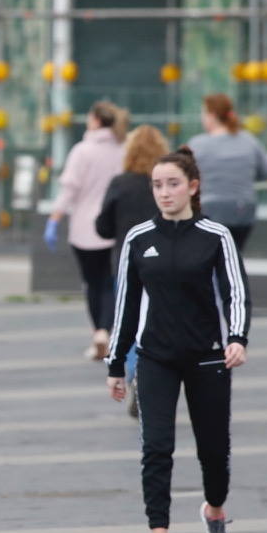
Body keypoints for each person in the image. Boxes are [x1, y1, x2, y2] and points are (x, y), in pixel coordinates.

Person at [105, 147, 251, 533]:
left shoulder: (215, 236)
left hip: (208, 357)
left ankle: (215, 511)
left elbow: (236, 293)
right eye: (157, 185)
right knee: (156, 447)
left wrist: (237, 339)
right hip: (156, 358)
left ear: (192, 186)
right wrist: (117, 366)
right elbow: (125, 308)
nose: (164, 192)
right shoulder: (139, 239)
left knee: (213, 451)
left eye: (172, 184)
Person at [95, 124, 170, 417]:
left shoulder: (120, 183)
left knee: (127, 321)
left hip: (126, 262)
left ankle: (133, 374)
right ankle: (152, 376)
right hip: (163, 261)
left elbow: (103, 227)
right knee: (158, 321)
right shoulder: (164, 185)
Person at [44, 101, 127, 360]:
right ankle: (108, 330)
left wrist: (54, 218)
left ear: (95, 121)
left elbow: (70, 188)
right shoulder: (123, 149)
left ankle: (98, 333)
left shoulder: (82, 150)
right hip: (114, 227)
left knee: (92, 283)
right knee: (110, 282)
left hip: (84, 228)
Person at [187, 94, 267, 252]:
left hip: (209, 210)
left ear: (212, 116)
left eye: (203, 114)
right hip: (243, 211)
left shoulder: (197, 144)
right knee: (234, 255)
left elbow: (181, 175)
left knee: (209, 256)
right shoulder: (249, 140)